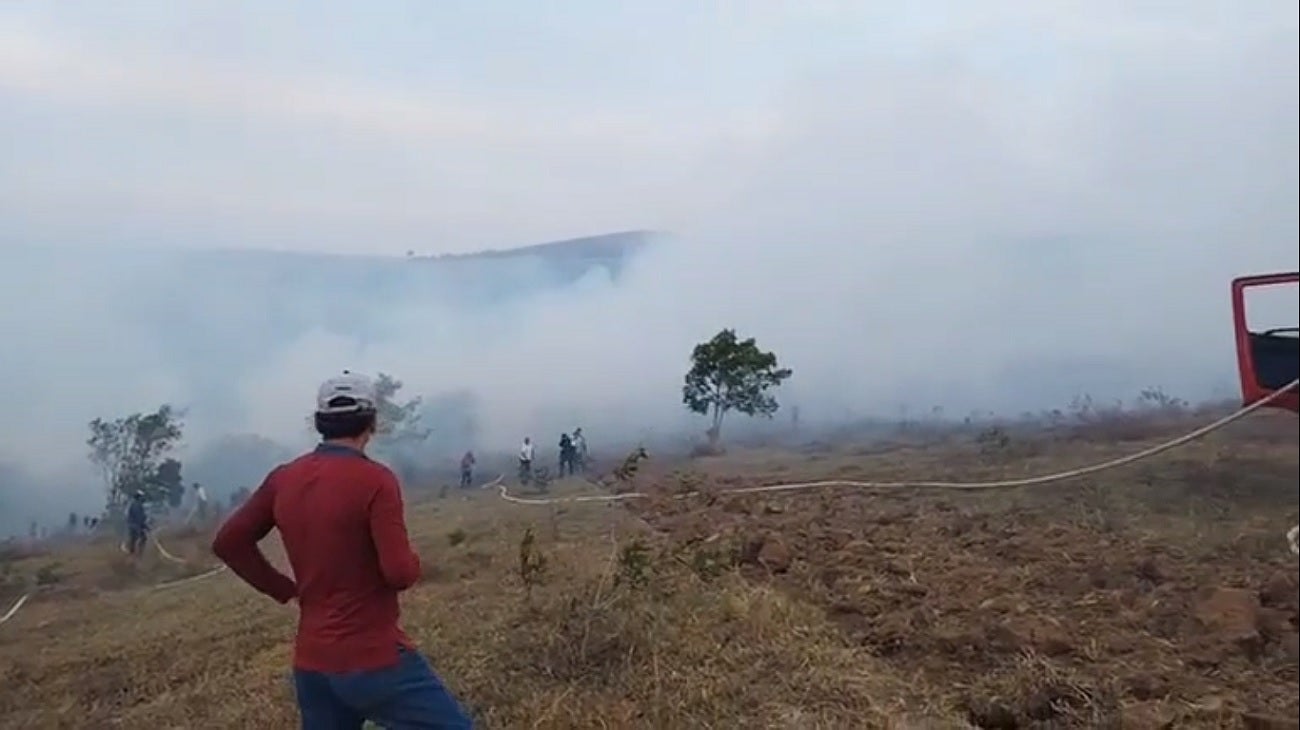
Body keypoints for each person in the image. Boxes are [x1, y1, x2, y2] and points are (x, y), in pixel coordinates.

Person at [211, 370, 473, 729]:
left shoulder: (283, 478)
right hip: (374, 658)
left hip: (312, 665)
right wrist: (414, 562)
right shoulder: (376, 480)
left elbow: (228, 542)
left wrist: (283, 589)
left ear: (320, 422)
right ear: (373, 422)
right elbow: (399, 573)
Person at [125, 490, 150, 557]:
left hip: (133, 525)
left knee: (133, 540)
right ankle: (139, 555)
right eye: (142, 497)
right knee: (143, 538)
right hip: (135, 526)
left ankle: (132, 555)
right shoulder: (137, 505)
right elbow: (139, 517)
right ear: (139, 497)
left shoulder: (135, 504)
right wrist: (145, 526)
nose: (144, 498)